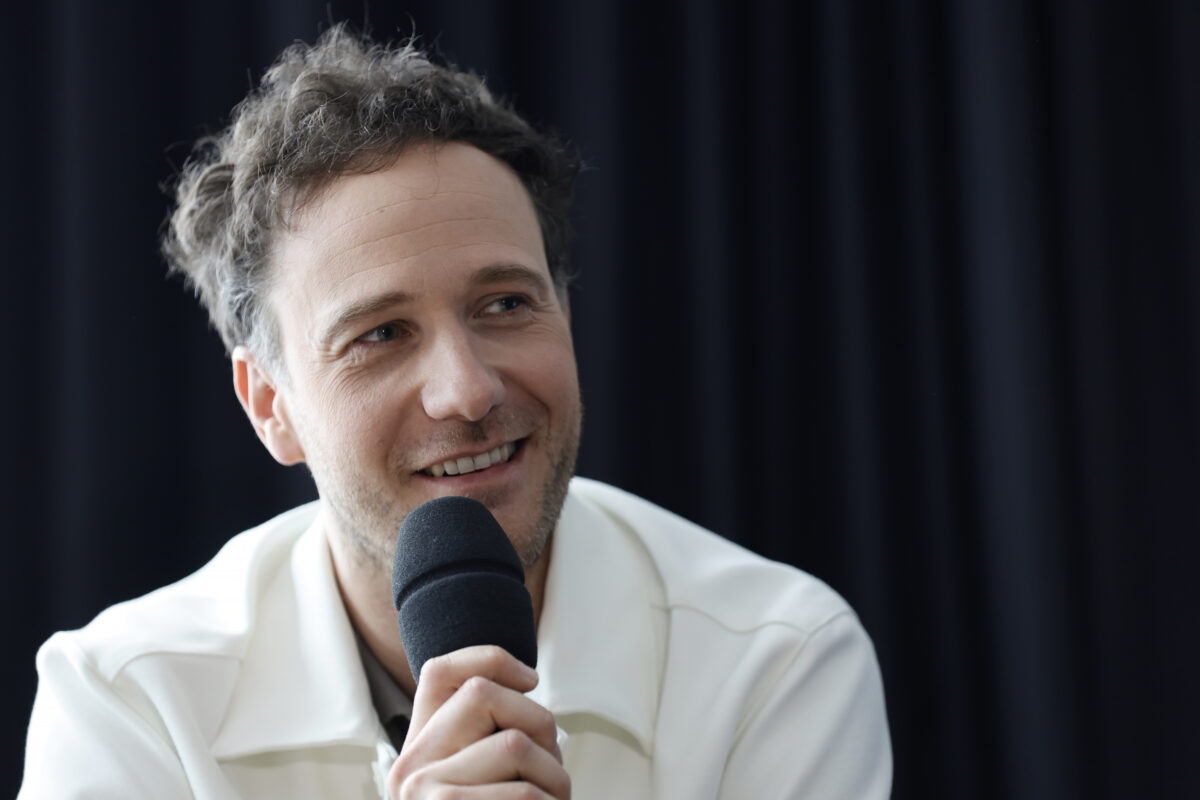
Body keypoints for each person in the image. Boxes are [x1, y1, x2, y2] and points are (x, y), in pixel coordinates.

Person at [20, 24, 891, 799]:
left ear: (565, 316)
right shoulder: (127, 701)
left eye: (506, 304)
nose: (469, 391)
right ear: (270, 405)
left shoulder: (774, 659)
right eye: (381, 334)